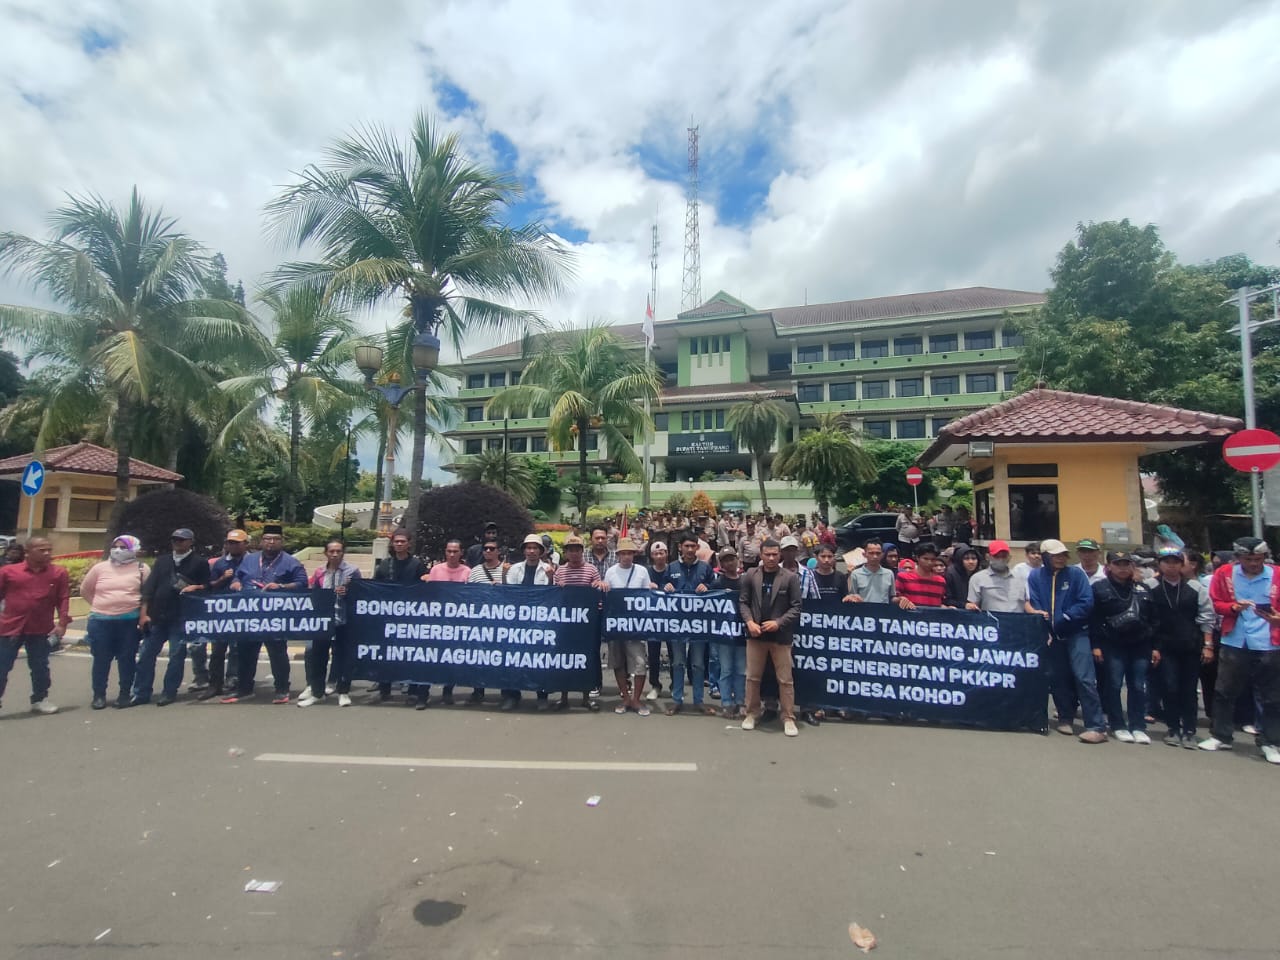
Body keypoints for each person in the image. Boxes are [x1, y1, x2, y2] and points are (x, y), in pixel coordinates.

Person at [1200, 537, 1280, 763]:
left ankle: (1271, 741)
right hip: (1235, 639)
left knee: (1272, 696)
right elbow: (1216, 602)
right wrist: (1233, 607)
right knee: (1225, 690)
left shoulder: (1277, 575)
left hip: (1270, 642)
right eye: (1248, 559)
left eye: (1258, 559)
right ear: (1238, 558)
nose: (1254, 563)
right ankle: (1221, 735)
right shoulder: (1225, 574)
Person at [1026, 538, 1104, 743]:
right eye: (1055, 555)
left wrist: (1064, 618)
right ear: (1045, 557)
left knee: (1084, 678)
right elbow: (1034, 601)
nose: (1060, 559)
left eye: (1062, 555)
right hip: (1052, 636)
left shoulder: (1076, 574)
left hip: (1076, 633)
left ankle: (1096, 726)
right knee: (1057, 678)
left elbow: (1086, 602)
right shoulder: (1035, 576)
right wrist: (1043, 621)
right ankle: (1065, 717)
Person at [222, 523, 306, 705]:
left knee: (277, 654)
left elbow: (302, 584)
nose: (271, 543)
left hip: (275, 617)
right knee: (245, 653)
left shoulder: (291, 562)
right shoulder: (249, 559)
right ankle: (244, 688)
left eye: (275, 539)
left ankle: (282, 689)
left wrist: (281, 586)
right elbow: (238, 575)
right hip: (250, 616)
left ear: (282, 542)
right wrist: (235, 583)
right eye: (267, 539)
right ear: (261, 541)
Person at [134, 527, 212, 706]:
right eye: (175, 539)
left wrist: (197, 588)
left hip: (181, 618)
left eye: (181, 540)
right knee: (146, 655)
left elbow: (208, 587)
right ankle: (141, 692)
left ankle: (169, 692)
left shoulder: (199, 563)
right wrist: (144, 614)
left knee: (176, 657)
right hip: (157, 617)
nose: (177, 542)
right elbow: (149, 589)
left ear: (190, 542)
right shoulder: (162, 561)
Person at [1089, 551, 1156, 743]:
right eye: (1118, 564)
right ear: (1109, 566)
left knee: (1138, 686)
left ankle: (1138, 726)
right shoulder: (1099, 588)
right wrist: (1096, 645)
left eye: (1126, 564)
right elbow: (1094, 619)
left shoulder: (1142, 588)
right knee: (1114, 685)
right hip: (1112, 644)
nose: (1123, 568)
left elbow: (1154, 618)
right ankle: (1117, 724)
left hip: (1140, 644)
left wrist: (1154, 646)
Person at [1151, 547, 1214, 748]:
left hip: (1191, 645)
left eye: (1175, 561)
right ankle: (1173, 728)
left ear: (1182, 564)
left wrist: (1208, 645)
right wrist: (1152, 647)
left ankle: (1189, 730)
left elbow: (1207, 617)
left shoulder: (1195, 587)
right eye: (1166, 561)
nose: (1171, 565)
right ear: (1159, 564)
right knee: (1169, 687)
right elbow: (1147, 618)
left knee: (1189, 689)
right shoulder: (1150, 586)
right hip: (1164, 646)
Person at [739, 540, 803, 737]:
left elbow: (796, 607)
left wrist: (779, 622)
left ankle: (788, 717)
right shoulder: (750, 575)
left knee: (785, 679)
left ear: (780, 555)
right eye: (767, 554)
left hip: (780, 636)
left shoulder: (790, 577)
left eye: (775, 554)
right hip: (755, 634)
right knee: (752, 677)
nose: (771, 558)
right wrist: (749, 622)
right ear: (761, 554)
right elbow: (743, 602)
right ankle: (751, 713)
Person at [0, 537, 71, 715]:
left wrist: (62, 624)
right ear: (28, 552)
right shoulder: (9, 572)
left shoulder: (58, 573)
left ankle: (40, 699)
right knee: (2, 666)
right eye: (41, 550)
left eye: (49, 549)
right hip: (10, 628)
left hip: (40, 628)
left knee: (40, 666)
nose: (47, 553)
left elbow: (63, 598)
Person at [80, 535, 148, 710]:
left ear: (134, 549)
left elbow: (148, 596)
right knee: (101, 659)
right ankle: (99, 695)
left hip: (129, 622)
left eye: (123, 547)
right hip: (100, 621)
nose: (118, 550)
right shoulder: (100, 568)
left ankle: (124, 693)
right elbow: (86, 590)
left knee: (127, 659)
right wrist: (102, 606)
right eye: (115, 546)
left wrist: (142, 616)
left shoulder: (142, 569)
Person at [300, 540, 361, 708]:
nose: (335, 554)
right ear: (325, 552)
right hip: (323, 621)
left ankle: (343, 691)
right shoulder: (320, 572)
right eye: (332, 551)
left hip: (344, 620)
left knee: (343, 657)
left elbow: (361, 593)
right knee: (317, 656)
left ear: (343, 553)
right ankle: (317, 693)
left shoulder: (352, 571)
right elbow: (312, 593)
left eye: (338, 551)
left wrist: (348, 592)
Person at [665, 532, 717, 716]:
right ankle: (677, 700)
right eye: (686, 546)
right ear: (680, 547)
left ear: (697, 548)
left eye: (692, 546)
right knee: (678, 662)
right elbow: (661, 590)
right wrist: (666, 587)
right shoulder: (671, 567)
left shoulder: (705, 568)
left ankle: (698, 701)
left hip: (699, 625)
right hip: (677, 625)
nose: (689, 549)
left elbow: (716, 588)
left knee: (697, 664)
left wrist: (708, 588)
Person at [501, 534, 555, 710]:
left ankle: (542, 696)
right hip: (517, 622)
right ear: (524, 550)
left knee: (540, 659)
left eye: (535, 548)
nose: (531, 551)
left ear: (541, 551)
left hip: (539, 622)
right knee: (513, 659)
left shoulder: (548, 569)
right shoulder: (515, 569)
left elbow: (552, 595)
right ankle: (512, 695)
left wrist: (551, 579)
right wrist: (503, 575)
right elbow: (507, 593)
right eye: (528, 548)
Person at [551, 534, 603, 712]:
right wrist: (559, 587)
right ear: (565, 553)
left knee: (585, 659)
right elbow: (552, 595)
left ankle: (586, 697)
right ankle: (564, 697)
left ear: (582, 552)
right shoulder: (560, 571)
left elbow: (597, 587)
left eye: (577, 550)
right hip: (565, 623)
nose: (574, 553)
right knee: (564, 658)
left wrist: (597, 585)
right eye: (570, 550)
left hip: (586, 624)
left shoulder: (591, 569)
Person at [601, 537, 651, 715]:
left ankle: (637, 699)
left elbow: (647, 597)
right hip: (616, 625)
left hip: (635, 625)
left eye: (630, 553)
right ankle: (625, 698)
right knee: (618, 663)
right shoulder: (611, 572)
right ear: (618, 555)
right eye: (623, 553)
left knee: (639, 663)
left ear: (634, 555)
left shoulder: (642, 571)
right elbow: (606, 596)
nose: (627, 556)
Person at [200, 529, 249, 700]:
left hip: (244, 612)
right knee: (217, 651)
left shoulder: (252, 562)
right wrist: (222, 578)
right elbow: (210, 585)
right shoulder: (220, 563)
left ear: (245, 544)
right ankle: (215, 684)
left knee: (238, 649)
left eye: (236, 543)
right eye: (230, 543)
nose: (232, 546)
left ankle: (235, 680)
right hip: (222, 612)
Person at [711, 546, 746, 719]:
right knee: (725, 669)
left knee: (740, 669)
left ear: (737, 559)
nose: (730, 562)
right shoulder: (718, 583)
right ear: (721, 564)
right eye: (726, 560)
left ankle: (740, 701)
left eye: (732, 559)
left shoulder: (746, 581)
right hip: (723, 635)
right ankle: (726, 703)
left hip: (741, 633)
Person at [644, 540, 676, 701]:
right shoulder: (646, 572)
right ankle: (655, 685)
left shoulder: (674, 570)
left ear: (666, 554)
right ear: (651, 556)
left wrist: (674, 588)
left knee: (674, 654)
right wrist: (646, 587)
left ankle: (674, 685)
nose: (659, 556)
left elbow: (683, 590)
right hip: (653, 620)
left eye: (661, 553)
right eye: (656, 553)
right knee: (653, 654)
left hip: (671, 621)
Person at [965, 540, 1027, 613]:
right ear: (987, 557)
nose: (1001, 559)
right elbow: (973, 605)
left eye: (1004, 556)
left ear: (1009, 557)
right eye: (996, 556)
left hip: (1018, 622)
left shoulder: (1021, 577)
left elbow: (1026, 603)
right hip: (991, 622)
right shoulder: (977, 579)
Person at [894, 542, 947, 609]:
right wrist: (901, 599)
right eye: (925, 559)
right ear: (917, 558)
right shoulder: (903, 577)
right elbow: (894, 598)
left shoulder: (941, 581)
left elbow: (942, 601)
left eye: (933, 559)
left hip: (933, 617)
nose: (929, 562)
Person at [848, 539, 895, 604]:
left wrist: (901, 599)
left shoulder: (889, 573)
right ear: (864, 554)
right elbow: (853, 596)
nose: (875, 556)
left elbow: (892, 596)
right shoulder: (856, 574)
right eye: (871, 553)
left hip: (883, 612)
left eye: (878, 553)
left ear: (882, 555)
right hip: (864, 612)